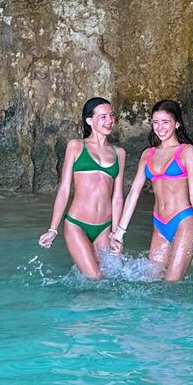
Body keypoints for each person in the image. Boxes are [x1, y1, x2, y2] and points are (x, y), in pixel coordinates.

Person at [111, 99, 193, 281]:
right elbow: (134, 193)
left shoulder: (187, 151)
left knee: (171, 284)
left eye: (165, 122)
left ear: (177, 124)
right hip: (159, 224)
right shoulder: (148, 154)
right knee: (151, 281)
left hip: (183, 221)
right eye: (155, 122)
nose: (160, 128)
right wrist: (119, 233)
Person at [38, 97, 127, 279]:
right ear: (89, 120)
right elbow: (64, 189)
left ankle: (82, 306)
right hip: (77, 224)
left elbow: (117, 197)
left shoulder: (119, 153)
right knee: (97, 279)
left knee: (108, 279)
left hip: (105, 227)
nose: (109, 121)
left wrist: (116, 235)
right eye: (103, 117)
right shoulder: (76, 146)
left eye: (111, 116)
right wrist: (53, 228)